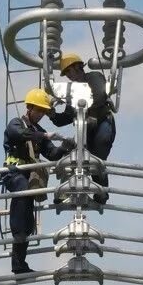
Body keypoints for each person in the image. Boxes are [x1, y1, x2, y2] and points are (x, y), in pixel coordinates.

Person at [2, 89, 76, 274]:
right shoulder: (16, 123)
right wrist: (44, 136)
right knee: (22, 194)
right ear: (29, 108)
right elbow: (18, 134)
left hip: (29, 176)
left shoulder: (39, 131)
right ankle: (18, 238)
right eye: (39, 110)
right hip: (14, 173)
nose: (41, 114)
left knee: (27, 220)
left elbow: (51, 154)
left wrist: (64, 147)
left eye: (44, 111)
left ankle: (20, 264)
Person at [50, 52, 115, 202]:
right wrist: (51, 114)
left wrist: (89, 113)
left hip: (102, 123)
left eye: (69, 71)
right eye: (66, 73)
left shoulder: (94, 77)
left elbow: (100, 95)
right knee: (74, 156)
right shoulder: (72, 91)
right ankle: (66, 190)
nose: (68, 76)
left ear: (78, 67)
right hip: (85, 129)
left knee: (97, 156)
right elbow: (65, 118)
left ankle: (101, 192)